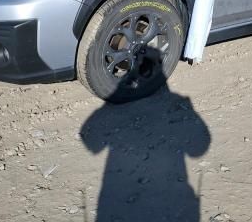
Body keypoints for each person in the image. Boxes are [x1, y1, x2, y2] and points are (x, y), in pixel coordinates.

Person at [80, 83, 211, 222]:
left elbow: (91, 143)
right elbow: (198, 150)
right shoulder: (179, 101)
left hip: (118, 197)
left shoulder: (110, 104)